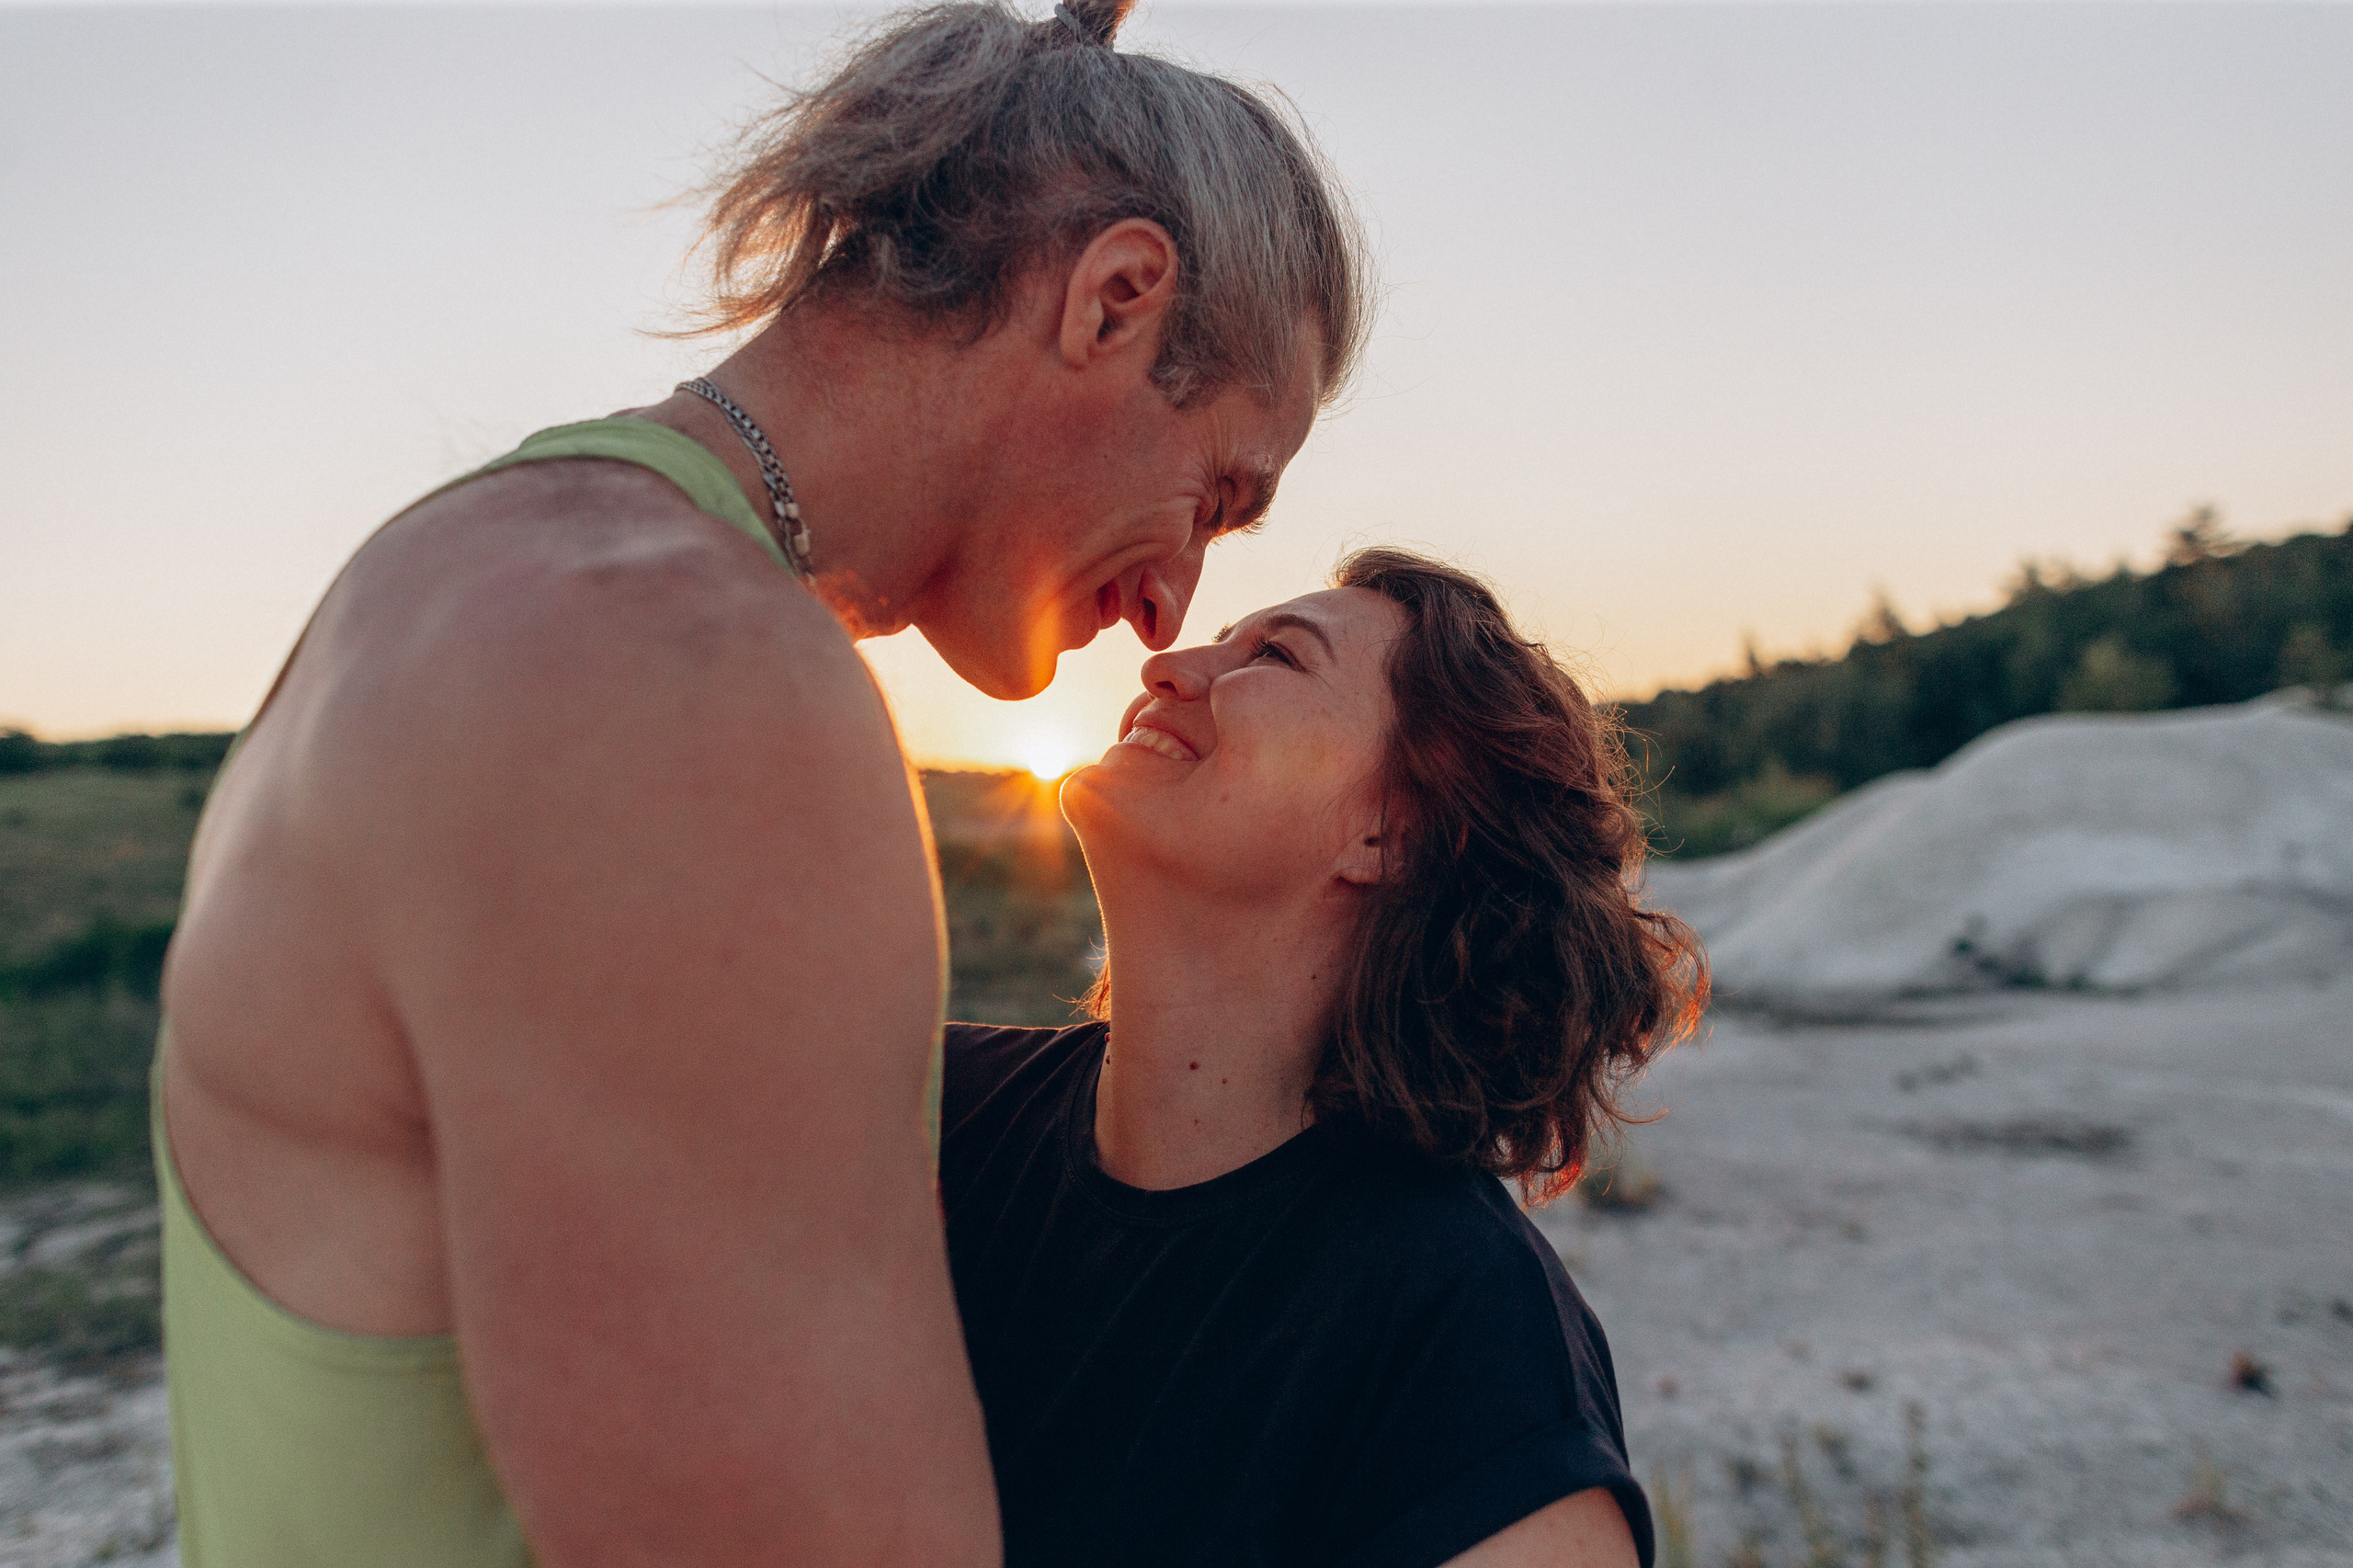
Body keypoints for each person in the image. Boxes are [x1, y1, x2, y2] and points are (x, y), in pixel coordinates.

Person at [151, 2, 1368, 1562]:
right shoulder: (678, 686)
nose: (1173, 607)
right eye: (1214, 493)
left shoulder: (487, 563)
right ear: (1114, 301)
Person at [941, 549, 1707, 1568]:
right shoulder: (927, 1112)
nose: (1167, 667)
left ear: (1392, 828)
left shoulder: (1465, 1340)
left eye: (1275, 656)